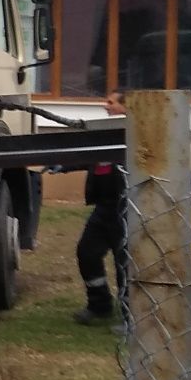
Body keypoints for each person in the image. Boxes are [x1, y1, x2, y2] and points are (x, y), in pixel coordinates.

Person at [76, 92, 128, 326]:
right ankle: (100, 305)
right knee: (86, 253)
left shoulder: (134, 134)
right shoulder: (105, 134)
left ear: (125, 107)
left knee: (125, 263)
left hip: (126, 209)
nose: (105, 105)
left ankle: (131, 317)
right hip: (104, 209)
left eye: (111, 102)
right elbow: (92, 159)